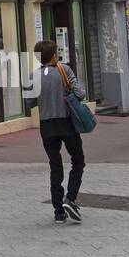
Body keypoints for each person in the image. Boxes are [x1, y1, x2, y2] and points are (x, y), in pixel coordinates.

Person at [33, 39, 87, 223]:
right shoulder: (64, 70)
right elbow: (80, 94)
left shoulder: (33, 76)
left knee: (55, 165)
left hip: (46, 125)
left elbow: (29, 103)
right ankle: (70, 199)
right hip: (66, 123)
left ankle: (58, 212)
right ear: (54, 54)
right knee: (78, 160)